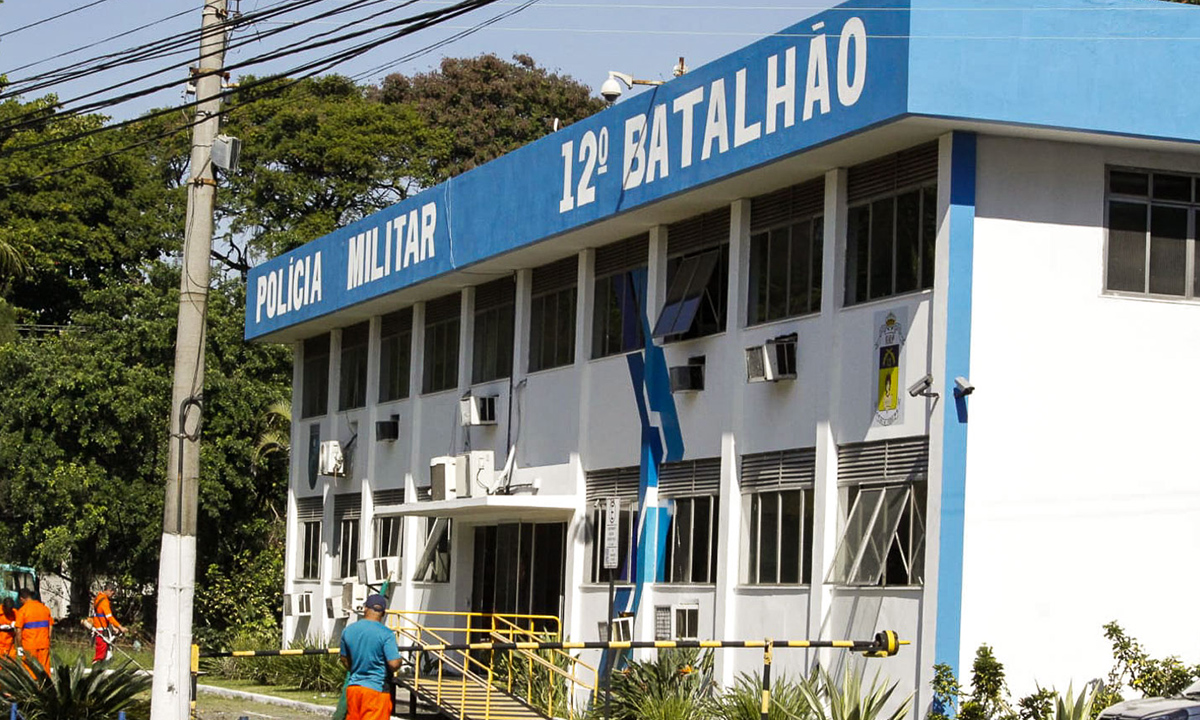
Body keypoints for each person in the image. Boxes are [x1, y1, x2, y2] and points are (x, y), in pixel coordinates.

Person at [339, 594, 401, 720]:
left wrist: (355, 668)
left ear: (365, 608)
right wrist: (400, 661)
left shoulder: (348, 630)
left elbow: (344, 659)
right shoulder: (386, 634)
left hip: (354, 689)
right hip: (376, 690)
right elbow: (393, 664)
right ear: (383, 613)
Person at [14, 589, 53, 674]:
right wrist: (48, 640)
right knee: (44, 671)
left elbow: (18, 631)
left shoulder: (22, 611)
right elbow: (50, 628)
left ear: (21, 598)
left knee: (30, 672)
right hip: (44, 644)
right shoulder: (45, 609)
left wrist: (19, 647)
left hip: (29, 646)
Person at [90, 584, 123, 664]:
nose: (112, 595)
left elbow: (103, 616)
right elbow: (109, 617)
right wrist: (120, 627)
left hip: (101, 627)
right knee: (100, 654)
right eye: (112, 593)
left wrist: (113, 627)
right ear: (109, 591)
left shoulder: (98, 597)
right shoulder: (104, 601)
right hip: (101, 629)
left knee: (106, 653)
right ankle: (96, 668)